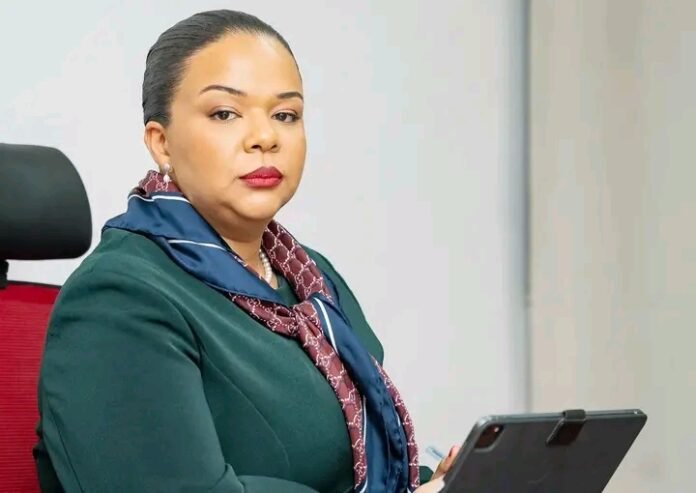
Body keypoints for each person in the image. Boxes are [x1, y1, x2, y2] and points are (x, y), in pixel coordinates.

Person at [34, 10, 457, 493]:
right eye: (225, 113)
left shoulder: (311, 280)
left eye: (285, 115)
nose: (265, 137)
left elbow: (355, 468)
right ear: (161, 142)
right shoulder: (117, 300)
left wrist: (443, 481)